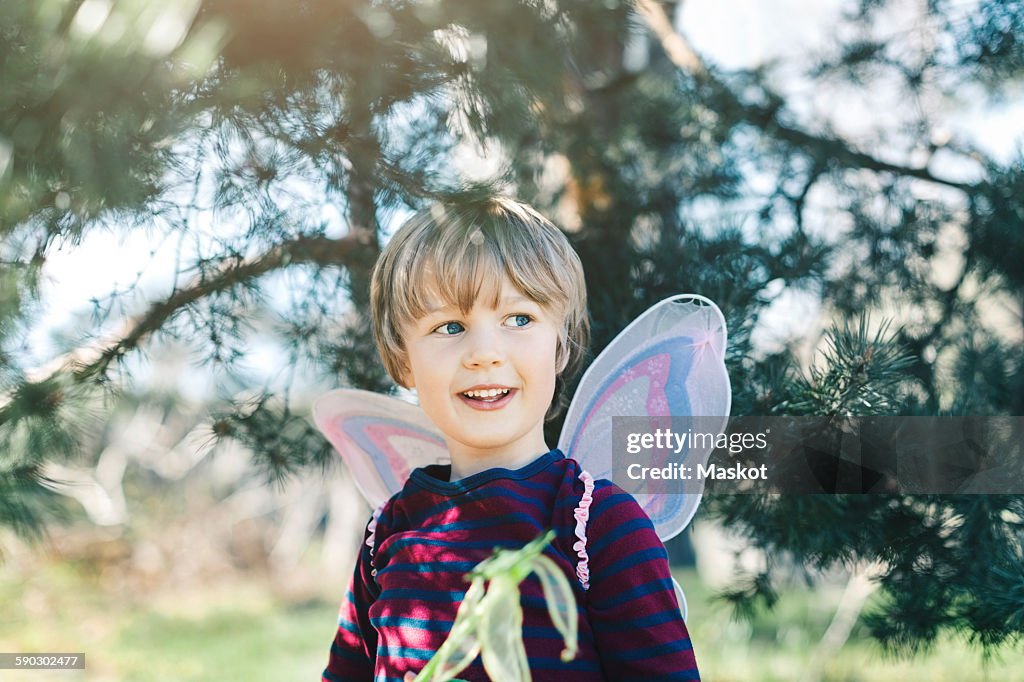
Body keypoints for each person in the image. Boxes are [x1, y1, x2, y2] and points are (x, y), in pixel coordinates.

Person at [321, 197, 700, 681]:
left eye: (519, 319)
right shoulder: (387, 532)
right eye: (450, 326)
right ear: (402, 361)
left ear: (561, 344)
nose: (484, 353)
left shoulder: (597, 525)